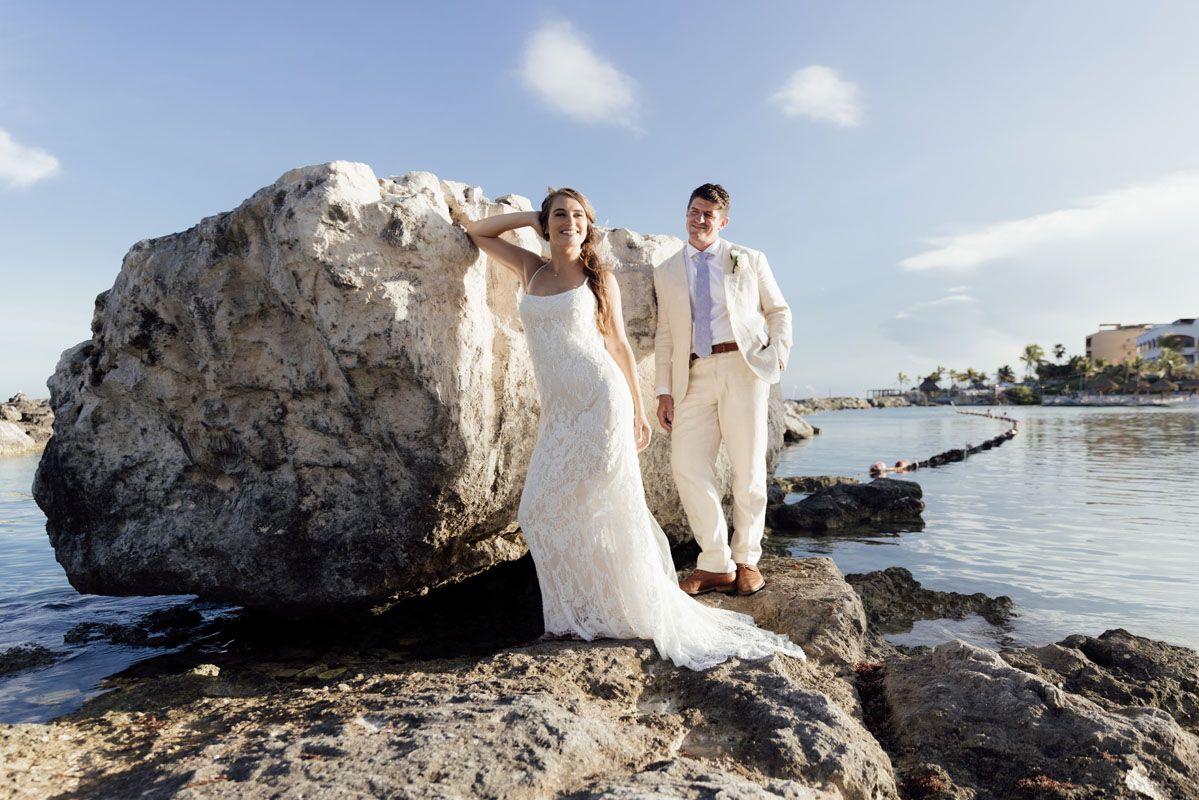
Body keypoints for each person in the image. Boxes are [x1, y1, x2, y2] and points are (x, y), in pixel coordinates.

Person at [466, 187, 803, 670]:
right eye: (560, 215)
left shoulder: (597, 277)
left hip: (602, 399)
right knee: (537, 509)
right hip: (560, 411)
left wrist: (639, 411)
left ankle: (604, 610)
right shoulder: (530, 268)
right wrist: (531, 217)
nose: (569, 222)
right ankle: (579, 611)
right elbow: (476, 233)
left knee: (607, 505)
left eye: (578, 215)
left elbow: (621, 347)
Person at [653, 184, 792, 597]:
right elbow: (664, 334)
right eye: (694, 212)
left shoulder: (749, 259)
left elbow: (778, 311)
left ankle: (746, 558)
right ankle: (715, 562)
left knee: (748, 468)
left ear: (723, 221)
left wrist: (777, 356)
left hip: (743, 368)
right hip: (692, 375)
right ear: (686, 213)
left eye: (708, 215)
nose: (699, 220)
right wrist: (663, 391)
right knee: (687, 466)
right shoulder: (666, 270)